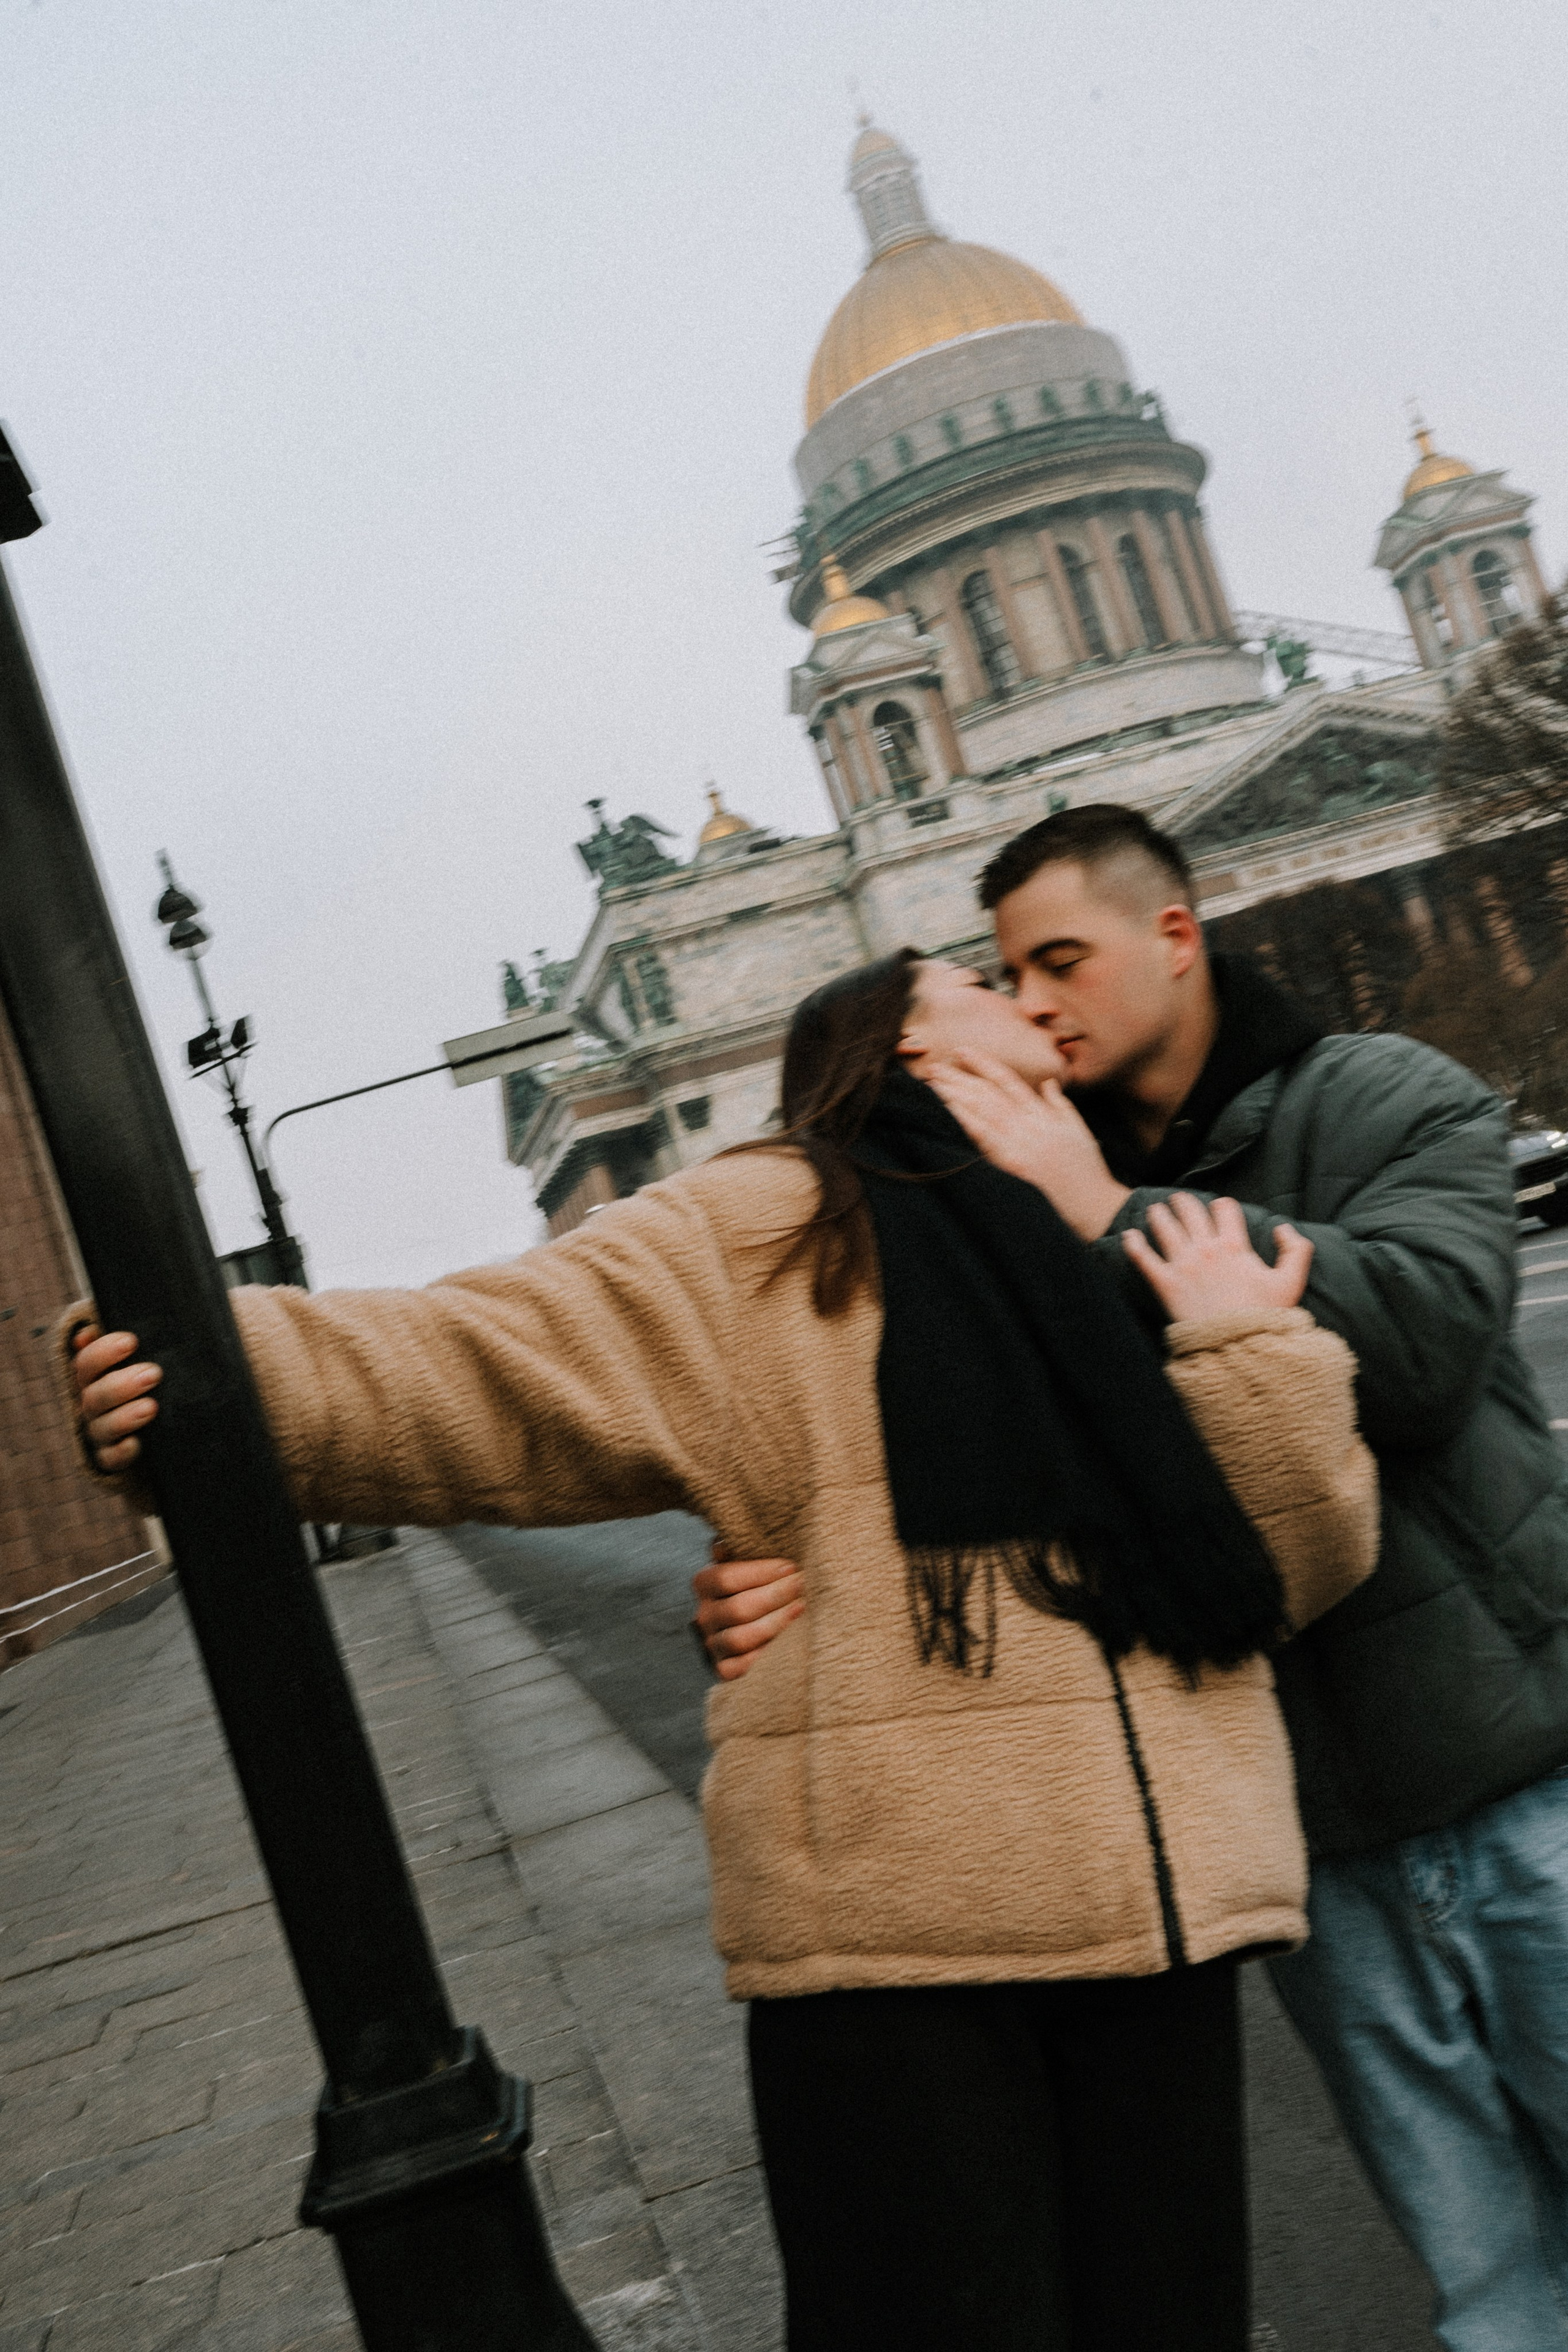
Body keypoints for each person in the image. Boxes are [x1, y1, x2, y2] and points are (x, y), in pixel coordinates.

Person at [73, 951, 1378, 2352]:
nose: (1032, 996)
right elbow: (483, 1364)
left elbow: (1293, 1565)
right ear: (905, 1047)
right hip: (902, 1946)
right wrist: (198, 1373)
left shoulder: (1131, 1232)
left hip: (1164, 1919)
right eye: (988, 980)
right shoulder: (773, 1220)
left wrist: (1243, 1341)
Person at [695, 805, 1568, 2352]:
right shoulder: (1019, 1174)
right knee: (1491, 2287)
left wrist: (1107, 1218)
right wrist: (777, 1583)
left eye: (1059, 963)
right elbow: (917, 1466)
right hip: (1312, 1841)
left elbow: (1424, 1347)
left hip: (1519, 1775)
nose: (1031, 1005)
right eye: (1007, 978)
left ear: (1173, 936)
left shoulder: (1376, 1094)